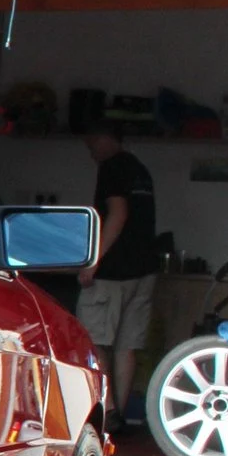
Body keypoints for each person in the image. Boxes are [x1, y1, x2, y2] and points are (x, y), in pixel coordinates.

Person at [78, 129, 158, 425]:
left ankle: (107, 410)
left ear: (104, 138)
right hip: (143, 270)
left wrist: (92, 261)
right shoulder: (140, 170)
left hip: (112, 273)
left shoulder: (112, 167)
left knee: (93, 339)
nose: (91, 153)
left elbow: (118, 213)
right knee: (127, 346)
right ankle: (120, 416)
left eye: (91, 144)